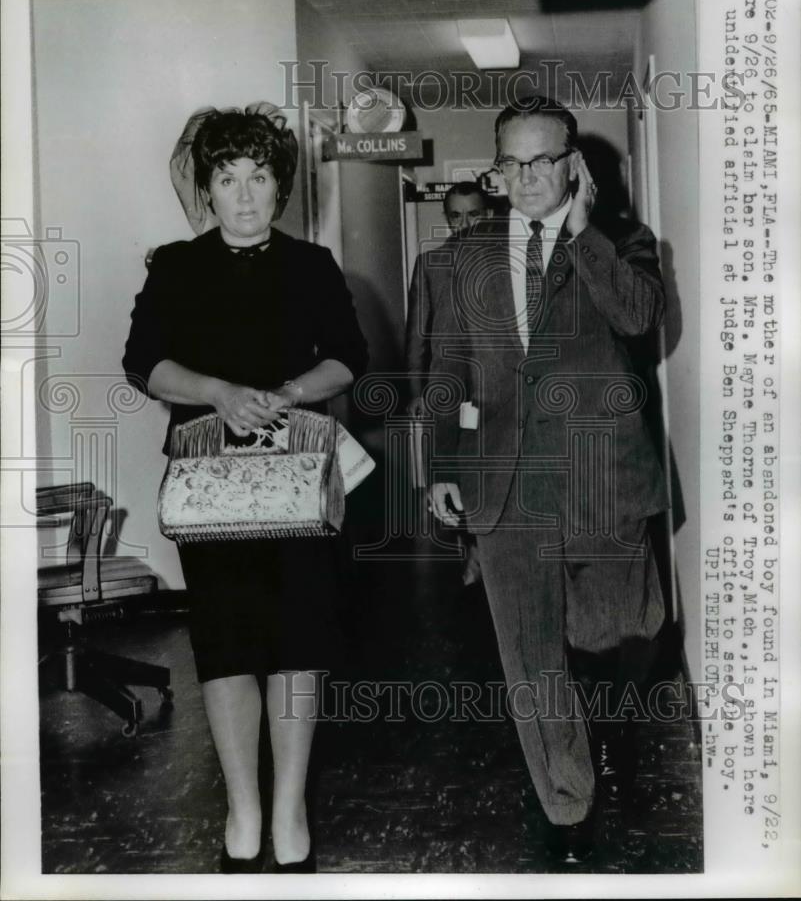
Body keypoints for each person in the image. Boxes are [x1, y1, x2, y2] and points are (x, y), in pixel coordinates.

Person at [122, 103, 368, 874]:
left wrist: (291, 392)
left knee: (299, 643)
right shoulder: (175, 264)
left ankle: (289, 808)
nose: (244, 194)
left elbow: (349, 358)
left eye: (258, 176)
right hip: (211, 486)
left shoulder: (312, 266)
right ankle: (243, 810)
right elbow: (143, 362)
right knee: (227, 646)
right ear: (207, 187)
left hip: (297, 478)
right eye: (227, 178)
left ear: (279, 185)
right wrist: (218, 392)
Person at [428, 97, 667, 864]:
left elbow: (636, 320)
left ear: (571, 165)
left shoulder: (621, 241)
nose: (526, 177)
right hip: (504, 482)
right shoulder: (463, 258)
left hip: (600, 473)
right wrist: (437, 465)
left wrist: (578, 232)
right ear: (496, 169)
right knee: (530, 658)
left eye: (541, 160)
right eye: (511, 162)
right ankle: (567, 806)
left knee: (614, 635)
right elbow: (446, 370)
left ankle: (609, 739)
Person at [405, 182, 492, 585]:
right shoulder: (430, 263)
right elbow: (416, 335)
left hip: (494, 390)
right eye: (455, 217)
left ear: (488, 214)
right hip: (447, 391)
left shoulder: (507, 260)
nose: (464, 224)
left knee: (490, 469)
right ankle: (469, 547)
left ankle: (486, 549)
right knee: (451, 470)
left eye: (473, 215)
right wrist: (416, 391)